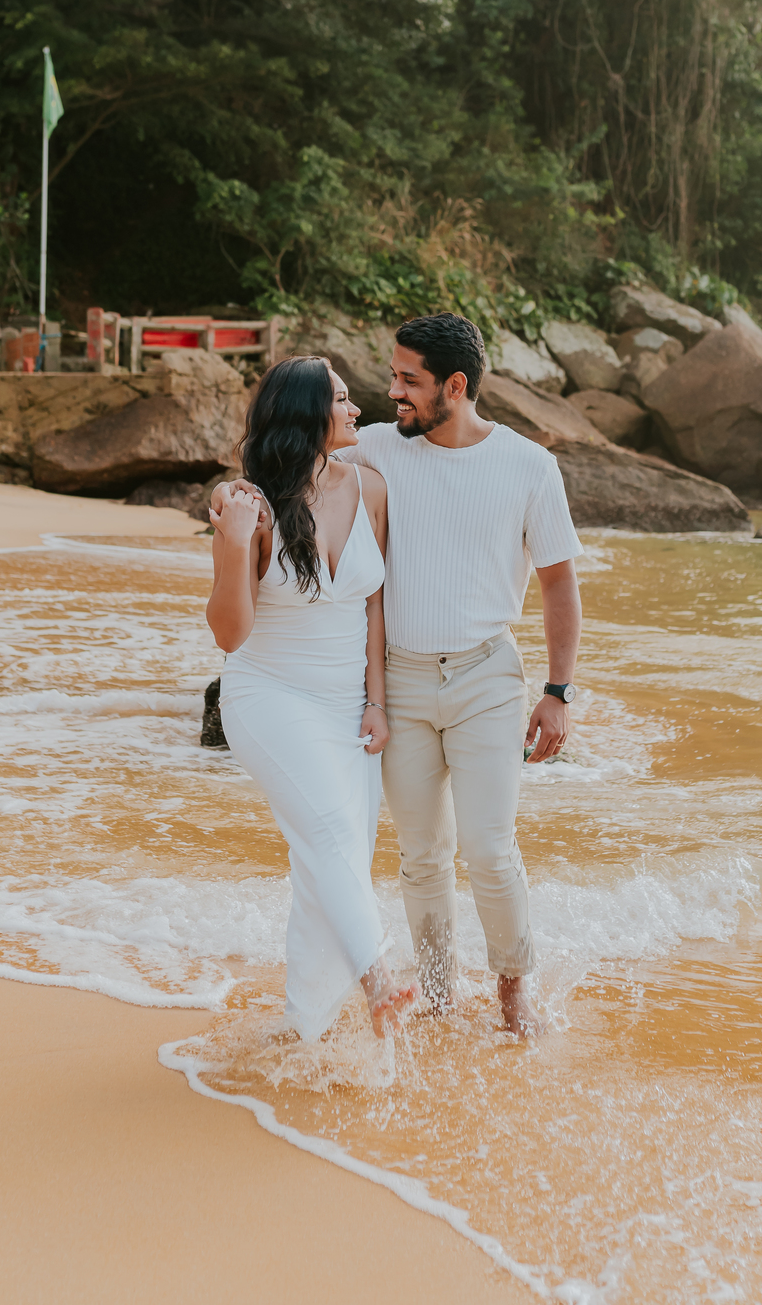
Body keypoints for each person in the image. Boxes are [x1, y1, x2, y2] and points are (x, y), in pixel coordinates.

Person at [215, 312, 583, 1037]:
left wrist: (558, 692)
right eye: (389, 379)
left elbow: (560, 585)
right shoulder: (377, 448)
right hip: (402, 682)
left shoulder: (529, 467)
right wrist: (228, 499)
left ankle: (515, 998)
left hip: (486, 675)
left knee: (488, 847)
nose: (391, 394)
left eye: (408, 381)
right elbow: (286, 463)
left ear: (456, 386)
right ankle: (440, 1001)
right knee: (420, 855)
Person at [205, 356, 417, 1041]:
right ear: (307, 416)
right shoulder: (252, 507)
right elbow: (231, 635)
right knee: (328, 834)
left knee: (330, 859)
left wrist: (375, 702)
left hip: (344, 704)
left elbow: (375, 606)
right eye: (344, 400)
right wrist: (234, 544)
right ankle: (377, 977)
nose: (358, 411)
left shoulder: (371, 488)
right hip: (267, 696)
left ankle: (304, 1032)